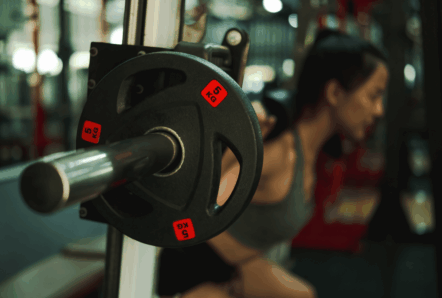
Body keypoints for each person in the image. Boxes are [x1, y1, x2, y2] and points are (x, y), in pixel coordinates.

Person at [157, 28, 390, 298]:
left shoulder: (311, 153)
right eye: (374, 95)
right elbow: (198, 212)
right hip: (189, 271)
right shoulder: (278, 152)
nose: (379, 110)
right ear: (335, 92)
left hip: (235, 268)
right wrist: (235, 151)